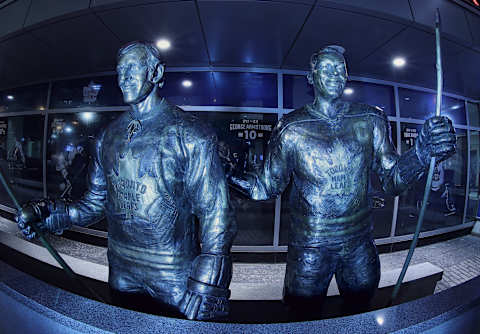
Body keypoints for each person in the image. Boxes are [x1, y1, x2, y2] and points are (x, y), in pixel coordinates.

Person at [16, 41, 236, 321]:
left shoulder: (191, 134)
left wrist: (209, 279)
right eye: (120, 71)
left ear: (156, 73)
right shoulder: (108, 136)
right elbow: (95, 204)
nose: (124, 78)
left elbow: (216, 210)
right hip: (121, 269)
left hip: (173, 274)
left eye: (133, 68)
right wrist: (52, 215)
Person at [231, 45, 456, 312]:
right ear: (311, 77)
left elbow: (391, 179)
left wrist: (420, 153)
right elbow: (266, 186)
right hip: (311, 245)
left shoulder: (370, 119)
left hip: (359, 241)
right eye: (327, 69)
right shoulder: (291, 128)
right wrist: (225, 175)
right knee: (302, 312)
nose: (336, 75)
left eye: (341, 69)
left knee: (360, 308)